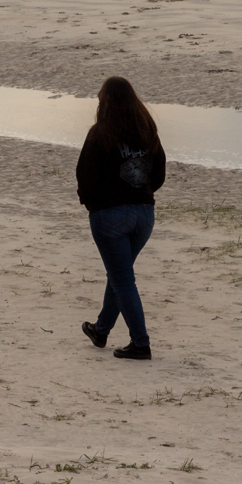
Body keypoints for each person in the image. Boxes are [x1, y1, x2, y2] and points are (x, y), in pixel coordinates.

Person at [75, 76, 166, 360]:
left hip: (109, 215)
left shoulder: (99, 133)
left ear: (105, 102)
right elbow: (159, 174)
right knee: (120, 275)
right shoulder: (148, 130)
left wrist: (92, 204)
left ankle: (141, 344)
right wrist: (141, 193)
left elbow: (85, 176)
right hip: (144, 215)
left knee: (123, 279)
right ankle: (100, 330)